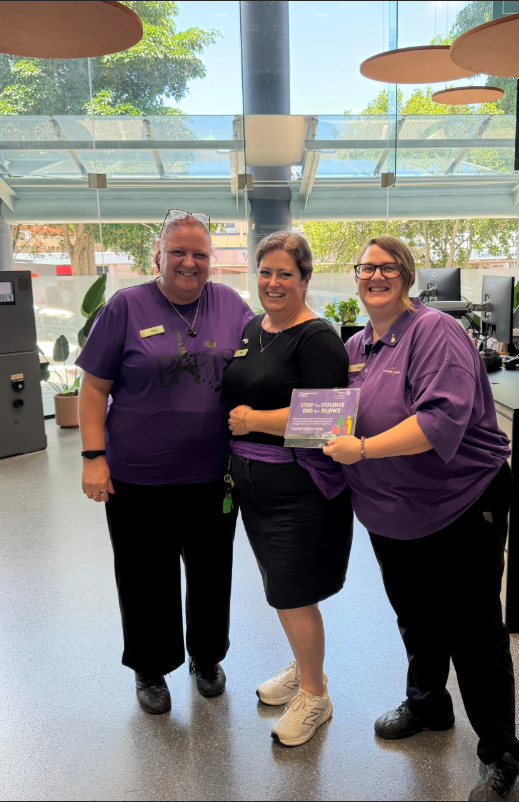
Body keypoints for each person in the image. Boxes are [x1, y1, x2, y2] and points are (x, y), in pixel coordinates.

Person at [324, 236, 519, 801]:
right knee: (416, 616)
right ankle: (428, 705)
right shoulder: (358, 345)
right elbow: (338, 416)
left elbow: (438, 421)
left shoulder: (434, 331)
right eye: (366, 268)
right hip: (392, 511)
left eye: (387, 267)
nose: (374, 276)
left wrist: (362, 450)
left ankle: (500, 753)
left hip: (460, 501)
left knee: (473, 629)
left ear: (408, 276)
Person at [76, 210, 253, 715]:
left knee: (212, 573)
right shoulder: (126, 307)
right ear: (158, 254)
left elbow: (259, 368)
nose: (189, 262)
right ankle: (150, 668)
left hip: (214, 476)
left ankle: (207, 657)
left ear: (211, 260)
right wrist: (93, 458)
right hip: (138, 477)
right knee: (144, 576)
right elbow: (94, 388)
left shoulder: (230, 305)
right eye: (178, 251)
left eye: (200, 253)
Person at [222, 231, 353, 747]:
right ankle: (304, 667)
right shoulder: (253, 328)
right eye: (265, 272)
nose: (273, 283)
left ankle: (315, 696)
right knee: (281, 589)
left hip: (299, 487)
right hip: (254, 485)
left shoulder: (317, 338)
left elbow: (329, 420)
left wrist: (253, 419)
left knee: (292, 594)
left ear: (305, 279)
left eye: (285, 274)